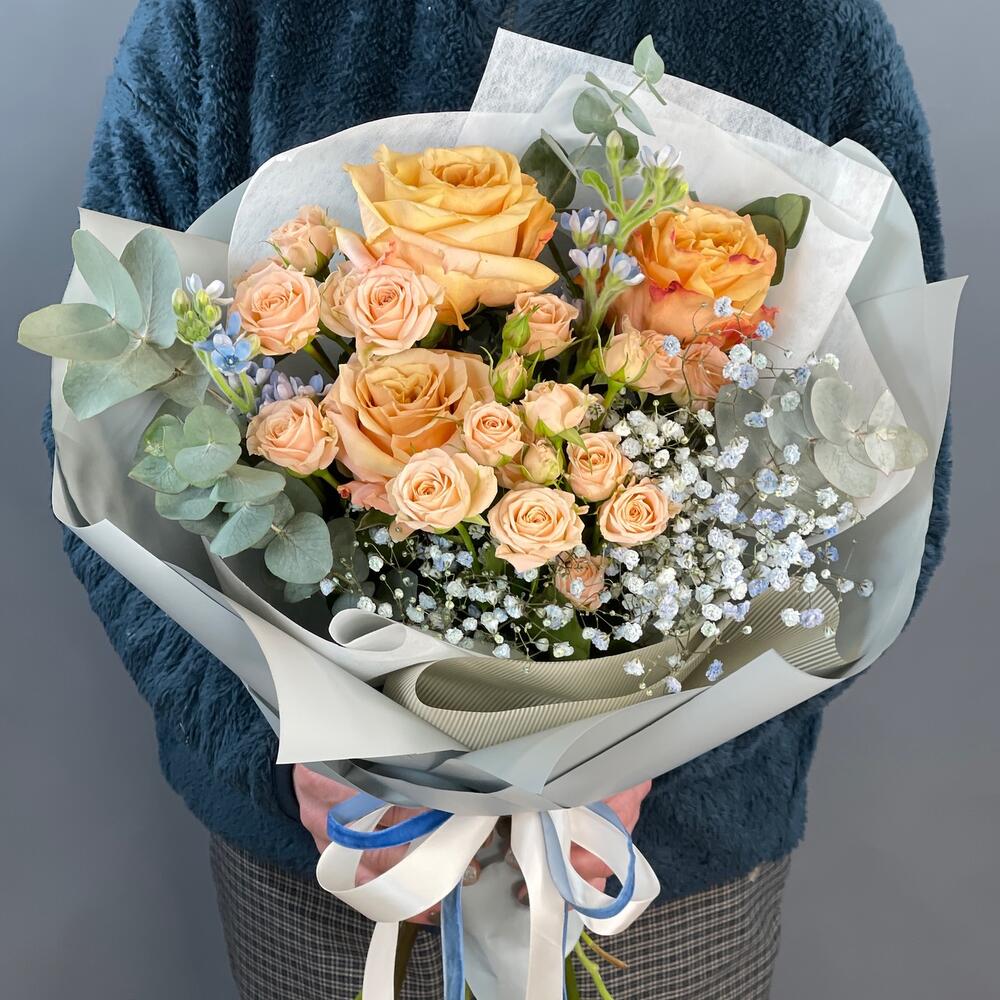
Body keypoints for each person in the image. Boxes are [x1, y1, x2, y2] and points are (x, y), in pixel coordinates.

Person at [60, 1, 947, 996]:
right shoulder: (219, 19)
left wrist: (647, 758)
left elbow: (895, 484)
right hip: (331, 860)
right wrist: (295, 752)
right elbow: (111, 453)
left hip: (654, 872)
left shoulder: (810, 26)